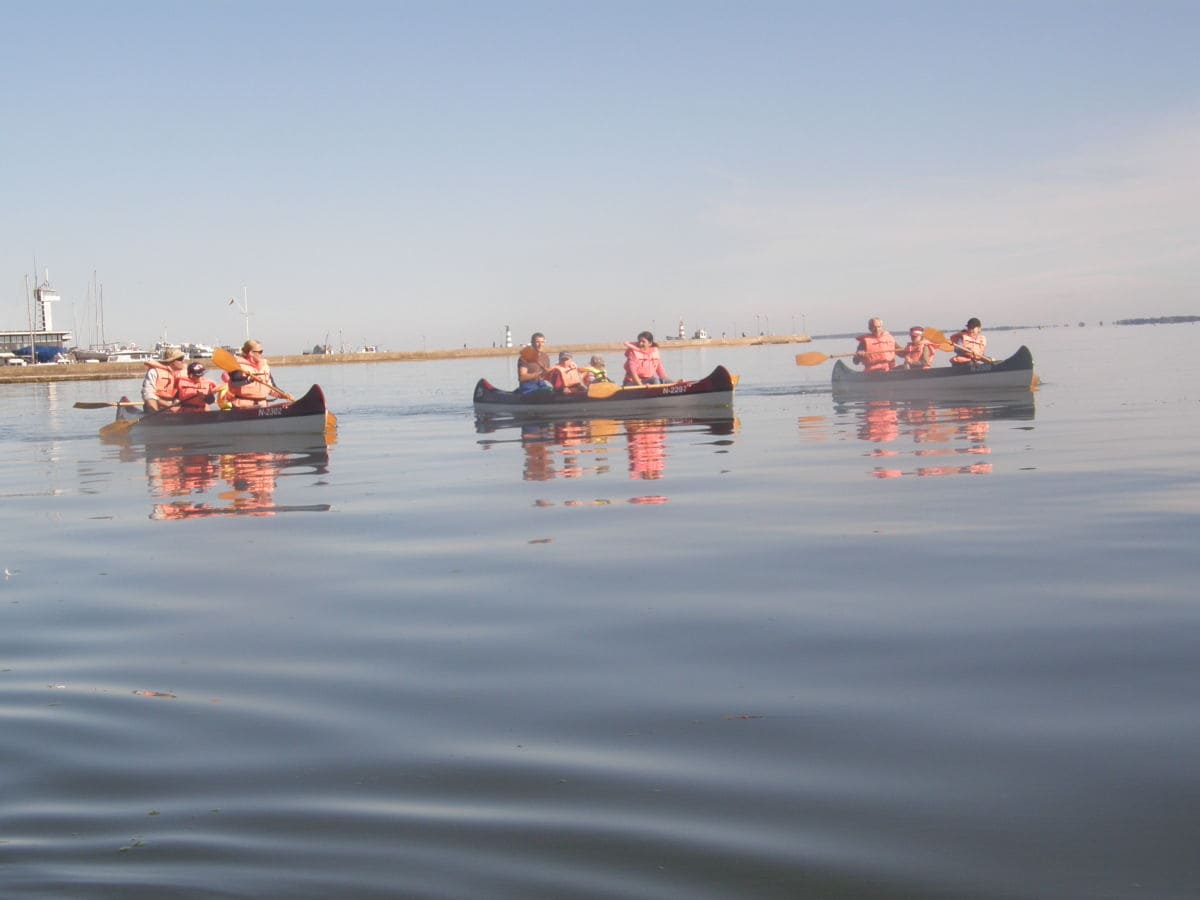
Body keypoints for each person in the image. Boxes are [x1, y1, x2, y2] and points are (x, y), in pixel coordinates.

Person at [223, 338, 279, 407]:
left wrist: (282, 394)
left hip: (262, 406)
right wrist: (249, 379)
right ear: (251, 353)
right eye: (260, 352)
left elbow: (272, 387)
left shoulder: (265, 367)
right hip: (243, 407)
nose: (262, 354)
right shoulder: (238, 366)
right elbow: (235, 383)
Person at [142, 347, 187, 412]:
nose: (183, 361)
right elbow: (148, 394)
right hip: (158, 404)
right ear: (171, 361)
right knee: (149, 398)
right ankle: (155, 417)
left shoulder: (187, 372)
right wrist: (170, 406)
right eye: (180, 359)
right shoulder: (154, 372)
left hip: (178, 405)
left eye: (183, 358)